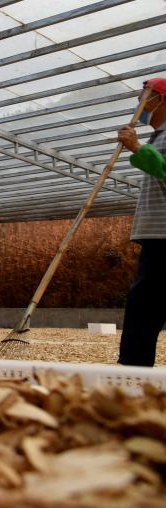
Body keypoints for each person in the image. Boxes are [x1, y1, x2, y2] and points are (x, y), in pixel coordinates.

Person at [116, 77, 166, 367]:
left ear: (160, 100)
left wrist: (136, 147)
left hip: (164, 239)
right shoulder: (158, 137)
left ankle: (133, 372)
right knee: (146, 308)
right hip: (156, 238)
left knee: (143, 310)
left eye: (145, 97)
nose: (140, 104)